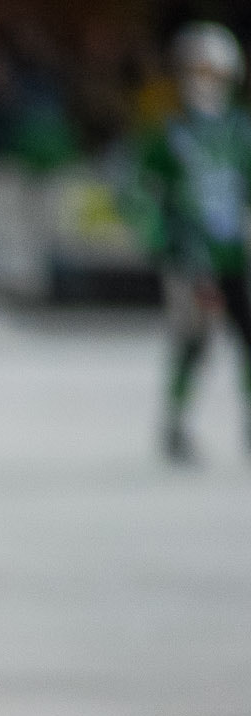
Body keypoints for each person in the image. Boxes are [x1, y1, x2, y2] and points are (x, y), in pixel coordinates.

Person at [126, 22, 251, 465]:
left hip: (235, 253)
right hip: (189, 255)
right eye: (196, 70)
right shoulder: (171, 132)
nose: (205, 81)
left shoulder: (240, 131)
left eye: (213, 71)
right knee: (194, 341)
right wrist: (158, 233)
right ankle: (176, 425)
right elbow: (140, 188)